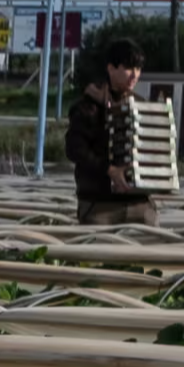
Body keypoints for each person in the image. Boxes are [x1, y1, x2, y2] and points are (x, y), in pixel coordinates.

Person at [66, 39, 157, 227]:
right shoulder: (89, 107)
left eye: (138, 69)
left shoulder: (141, 106)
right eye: (129, 67)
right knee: (95, 254)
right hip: (100, 205)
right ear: (111, 68)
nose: (135, 75)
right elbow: (74, 149)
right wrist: (110, 170)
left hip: (139, 204)